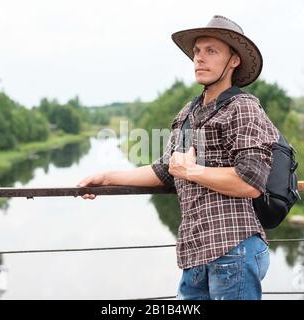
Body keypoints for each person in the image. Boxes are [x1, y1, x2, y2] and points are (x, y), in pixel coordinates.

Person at [77, 15, 279, 300]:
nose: (200, 58)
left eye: (211, 51)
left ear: (234, 60)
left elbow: (250, 182)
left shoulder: (243, 107)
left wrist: (192, 172)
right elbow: (165, 171)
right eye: (197, 51)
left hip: (233, 250)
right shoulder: (189, 112)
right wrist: (106, 177)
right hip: (194, 253)